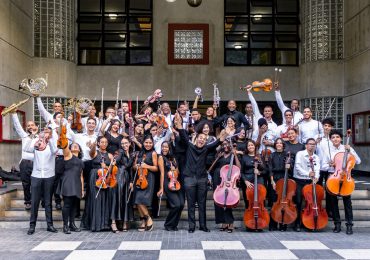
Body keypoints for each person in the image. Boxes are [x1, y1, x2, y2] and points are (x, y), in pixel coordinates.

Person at [174, 113, 228, 233]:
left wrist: (223, 135)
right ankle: (191, 226)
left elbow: (216, 143)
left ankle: (203, 226)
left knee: (202, 203)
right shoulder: (189, 147)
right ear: (197, 138)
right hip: (189, 179)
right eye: (200, 138)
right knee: (191, 204)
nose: (202, 140)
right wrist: (179, 125)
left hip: (202, 179)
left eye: (204, 139)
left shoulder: (206, 148)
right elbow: (183, 136)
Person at [323, 130, 361, 235]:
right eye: (333, 137)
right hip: (333, 178)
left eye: (337, 137)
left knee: (347, 203)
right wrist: (330, 165)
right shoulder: (327, 150)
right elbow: (323, 166)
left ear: (341, 138)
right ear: (330, 139)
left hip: (346, 178)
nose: (335, 139)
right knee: (333, 203)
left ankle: (349, 225)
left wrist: (350, 151)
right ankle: (337, 224)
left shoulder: (348, 148)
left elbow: (358, 161)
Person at [25, 125, 58, 235]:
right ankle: (32, 226)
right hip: (36, 176)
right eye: (44, 132)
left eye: (48, 132)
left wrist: (50, 139)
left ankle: (50, 225)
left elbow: (55, 150)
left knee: (48, 202)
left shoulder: (52, 144)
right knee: (34, 202)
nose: (45, 134)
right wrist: (34, 136)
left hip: (49, 176)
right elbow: (27, 149)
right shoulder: (37, 143)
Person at [84, 137, 113, 232]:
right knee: (96, 199)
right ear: (99, 143)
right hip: (95, 177)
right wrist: (93, 146)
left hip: (106, 178)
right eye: (102, 142)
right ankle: (96, 225)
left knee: (105, 200)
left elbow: (112, 168)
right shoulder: (95, 152)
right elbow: (91, 153)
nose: (104, 144)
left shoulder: (110, 155)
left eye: (105, 142)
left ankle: (104, 225)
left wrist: (107, 166)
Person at [11, 111, 38, 210]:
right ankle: (27, 201)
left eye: (32, 125)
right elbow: (17, 125)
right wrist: (14, 113)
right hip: (25, 163)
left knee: (36, 183)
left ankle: (36, 199)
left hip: (36, 163)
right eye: (28, 125)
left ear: (36, 126)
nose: (30, 127)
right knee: (26, 184)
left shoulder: (40, 137)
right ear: (26, 128)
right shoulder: (24, 135)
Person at [212, 140, 241, 233]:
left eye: (228, 144)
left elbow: (239, 168)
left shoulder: (233, 155)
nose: (226, 146)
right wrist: (217, 158)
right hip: (218, 178)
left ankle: (230, 222)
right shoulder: (219, 155)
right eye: (224, 144)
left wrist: (235, 154)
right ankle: (223, 222)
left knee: (228, 201)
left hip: (229, 180)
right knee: (218, 201)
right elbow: (211, 168)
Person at [131, 135, 158, 232]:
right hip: (139, 178)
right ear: (143, 143)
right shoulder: (139, 153)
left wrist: (146, 166)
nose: (148, 144)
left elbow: (156, 168)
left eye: (150, 143)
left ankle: (148, 218)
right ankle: (143, 221)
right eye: (146, 142)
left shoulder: (153, 153)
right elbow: (133, 166)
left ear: (153, 144)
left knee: (140, 200)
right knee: (137, 200)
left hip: (149, 178)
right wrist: (136, 166)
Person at [293, 138, 320, 232]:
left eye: (314, 144)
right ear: (306, 145)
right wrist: (308, 173)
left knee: (310, 202)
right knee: (299, 202)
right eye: (310, 144)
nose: (312, 146)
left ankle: (308, 222)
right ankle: (297, 223)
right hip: (299, 180)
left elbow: (317, 169)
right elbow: (297, 167)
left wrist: (316, 177)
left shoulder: (316, 157)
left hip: (310, 181)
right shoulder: (300, 154)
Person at [57, 141, 84, 234]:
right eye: (72, 145)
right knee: (67, 204)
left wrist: (82, 189)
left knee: (74, 206)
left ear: (80, 150)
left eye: (77, 145)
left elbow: (81, 176)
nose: (75, 145)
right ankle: (65, 225)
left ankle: (72, 224)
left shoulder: (81, 161)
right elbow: (65, 148)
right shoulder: (68, 155)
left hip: (77, 184)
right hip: (68, 182)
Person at [158, 141, 185, 231]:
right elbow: (162, 173)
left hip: (176, 182)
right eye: (163, 147)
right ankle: (168, 224)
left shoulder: (173, 158)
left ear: (169, 148)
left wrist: (175, 170)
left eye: (166, 147)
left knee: (181, 204)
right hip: (167, 182)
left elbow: (178, 172)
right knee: (176, 205)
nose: (164, 149)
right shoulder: (161, 157)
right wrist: (161, 188)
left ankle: (174, 225)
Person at [110, 137, 134, 232]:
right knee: (117, 199)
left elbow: (130, 169)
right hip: (119, 176)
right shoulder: (120, 152)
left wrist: (132, 181)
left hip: (127, 178)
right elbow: (118, 158)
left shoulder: (131, 154)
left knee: (125, 200)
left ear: (129, 143)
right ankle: (113, 223)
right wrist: (114, 161)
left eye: (126, 143)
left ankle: (124, 222)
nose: (124, 145)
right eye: (123, 143)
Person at [240, 139, 266, 226]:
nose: (251, 147)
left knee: (260, 201)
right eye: (249, 145)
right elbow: (241, 172)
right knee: (249, 203)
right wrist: (245, 181)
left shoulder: (259, 156)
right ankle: (249, 223)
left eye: (252, 145)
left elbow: (265, 170)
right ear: (247, 148)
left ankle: (260, 222)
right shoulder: (244, 157)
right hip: (248, 181)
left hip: (258, 180)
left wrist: (259, 172)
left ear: (255, 146)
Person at [269, 138, 291, 231]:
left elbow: (291, 169)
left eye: (280, 143)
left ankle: (283, 223)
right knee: (274, 202)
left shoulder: (287, 155)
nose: (278, 144)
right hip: (274, 179)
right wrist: (272, 181)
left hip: (284, 178)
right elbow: (270, 169)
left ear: (283, 145)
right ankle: (273, 224)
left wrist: (289, 166)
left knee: (283, 202)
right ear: (275, 145)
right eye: (277, 143)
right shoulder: (272, 155)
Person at [316, 117, 335, 218]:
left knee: (329, 189)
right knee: (318, 189)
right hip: (319, 167)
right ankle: (317, 208)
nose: (326, 128)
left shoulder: (333, 138)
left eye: (329, 126)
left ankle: (330, 210)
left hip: (330, 168)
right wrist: (316, 142)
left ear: (331, 128)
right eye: (325, 126)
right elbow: (312, 150)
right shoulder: (317, 136)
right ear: (323, 127)